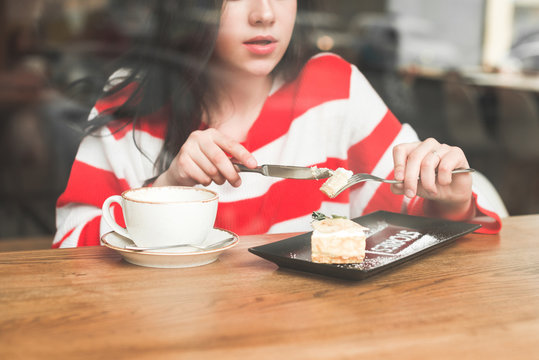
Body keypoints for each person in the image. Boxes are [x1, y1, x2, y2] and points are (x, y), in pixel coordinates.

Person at [53, 0, 501, 248]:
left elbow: (408, 217)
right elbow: (69, 249)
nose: (265, 13)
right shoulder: (132, 100)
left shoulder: (334, 86)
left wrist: (448, 199)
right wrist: (168, 188)